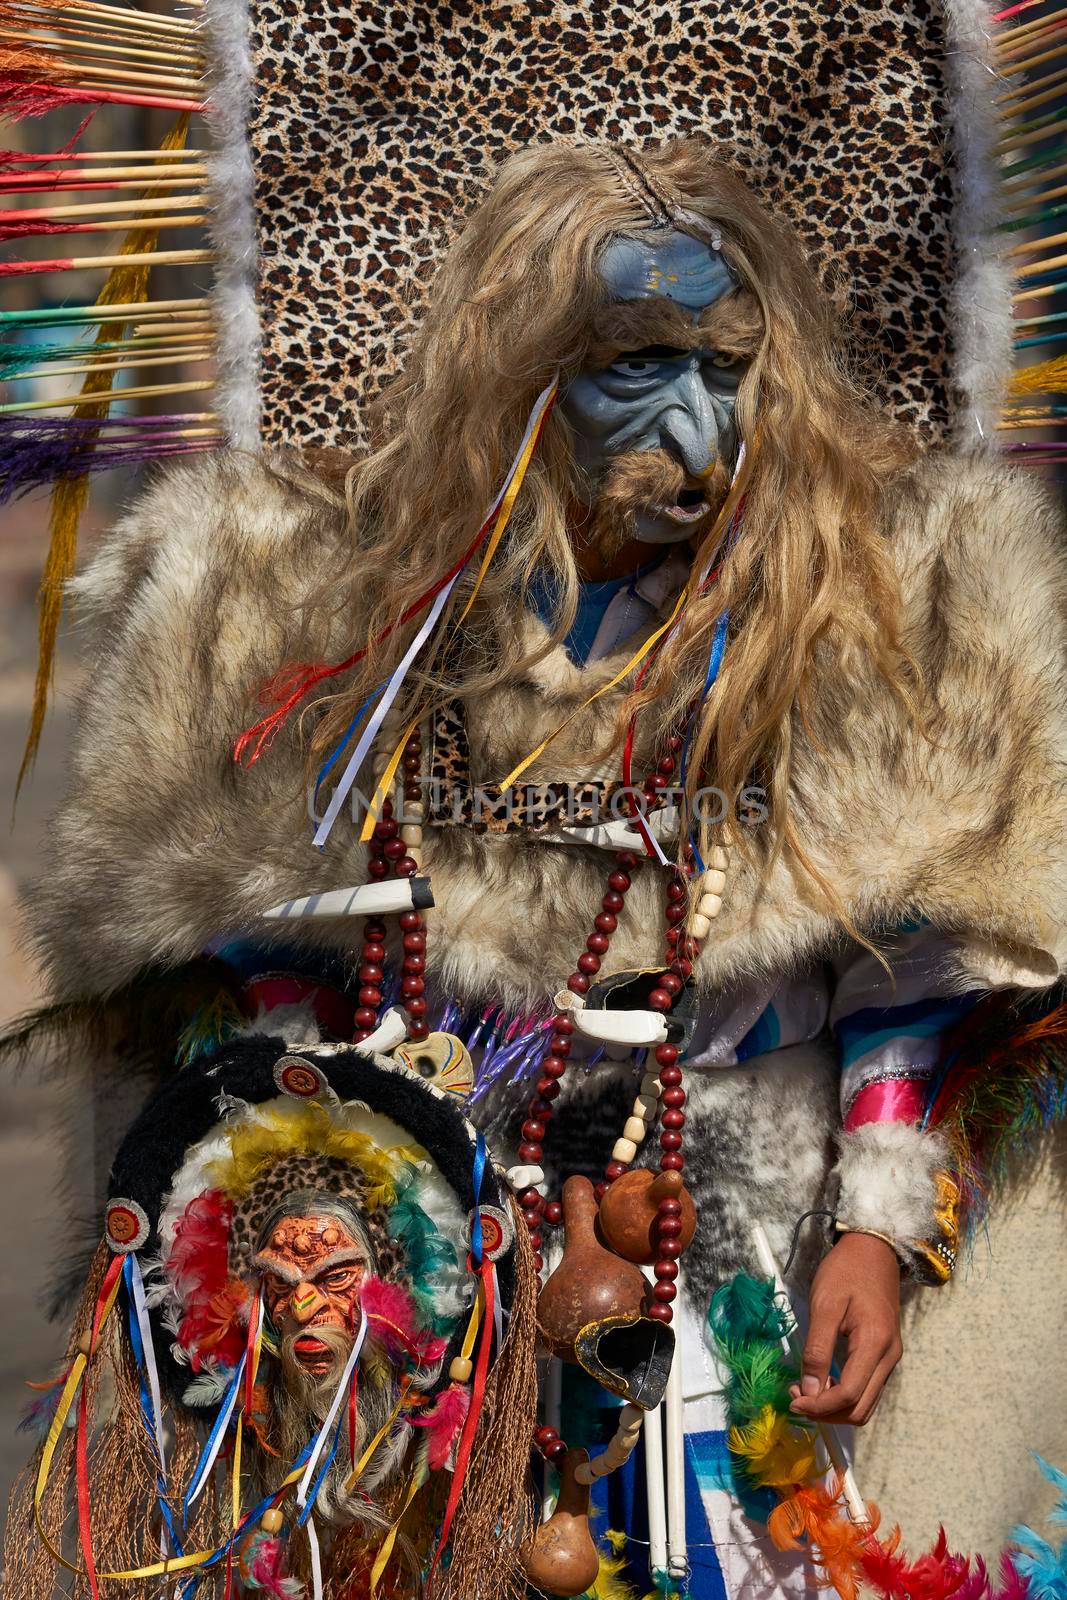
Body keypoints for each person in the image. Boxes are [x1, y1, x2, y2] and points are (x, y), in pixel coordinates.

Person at [22, 137, 1067, 1596]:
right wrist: (309, 1188)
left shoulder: (873, 617)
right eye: (637, 367)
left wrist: (877, 1230)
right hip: (440, 1243)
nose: (699, 436)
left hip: (749, 1230)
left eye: (729, 371)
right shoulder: (330, 622)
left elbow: (921, 945)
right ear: (518, 367)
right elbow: (256, 954)